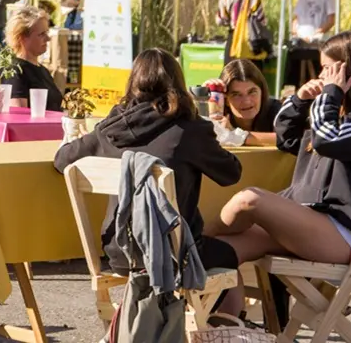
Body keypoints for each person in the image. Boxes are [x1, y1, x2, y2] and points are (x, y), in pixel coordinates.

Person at [209, 31, 351, 316]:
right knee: (219, 250)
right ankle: (229, 324)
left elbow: (327, 140)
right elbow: (284, 136)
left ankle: (196, 237)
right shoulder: (336, 108)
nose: (322, 76)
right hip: (304, 221)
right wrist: (301, 99)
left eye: (327, 68)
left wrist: (330, 95)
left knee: (249, 200)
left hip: (337, 232)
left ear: (347, 69)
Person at [54, 49, 243, 274]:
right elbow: (231, 174)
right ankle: (239, 299)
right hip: (174, 254)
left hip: (121, 252)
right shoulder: (189, 130)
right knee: (243, 251)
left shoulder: (111, 128)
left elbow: (62, 160)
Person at [209, 59, 282, 146]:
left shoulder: (276, 110)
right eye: (236, 95)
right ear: (225, 99)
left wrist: (236, 135)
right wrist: (203, 101)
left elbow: (288, 139)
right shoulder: (219, 114)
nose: (246, 101)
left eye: (252, 92)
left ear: (262, 93)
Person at [4, 6, 63, 112]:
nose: (48, 38)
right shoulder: (15, 71)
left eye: (47, 32)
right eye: (41, 34)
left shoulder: (43, 70)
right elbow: (18, 116)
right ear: (21, 37)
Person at [217, 0, 270, 65]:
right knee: (250, 71)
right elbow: (260, 19)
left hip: (232, 40)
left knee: (231, 70)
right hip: (249, 40)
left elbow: (220, 20)